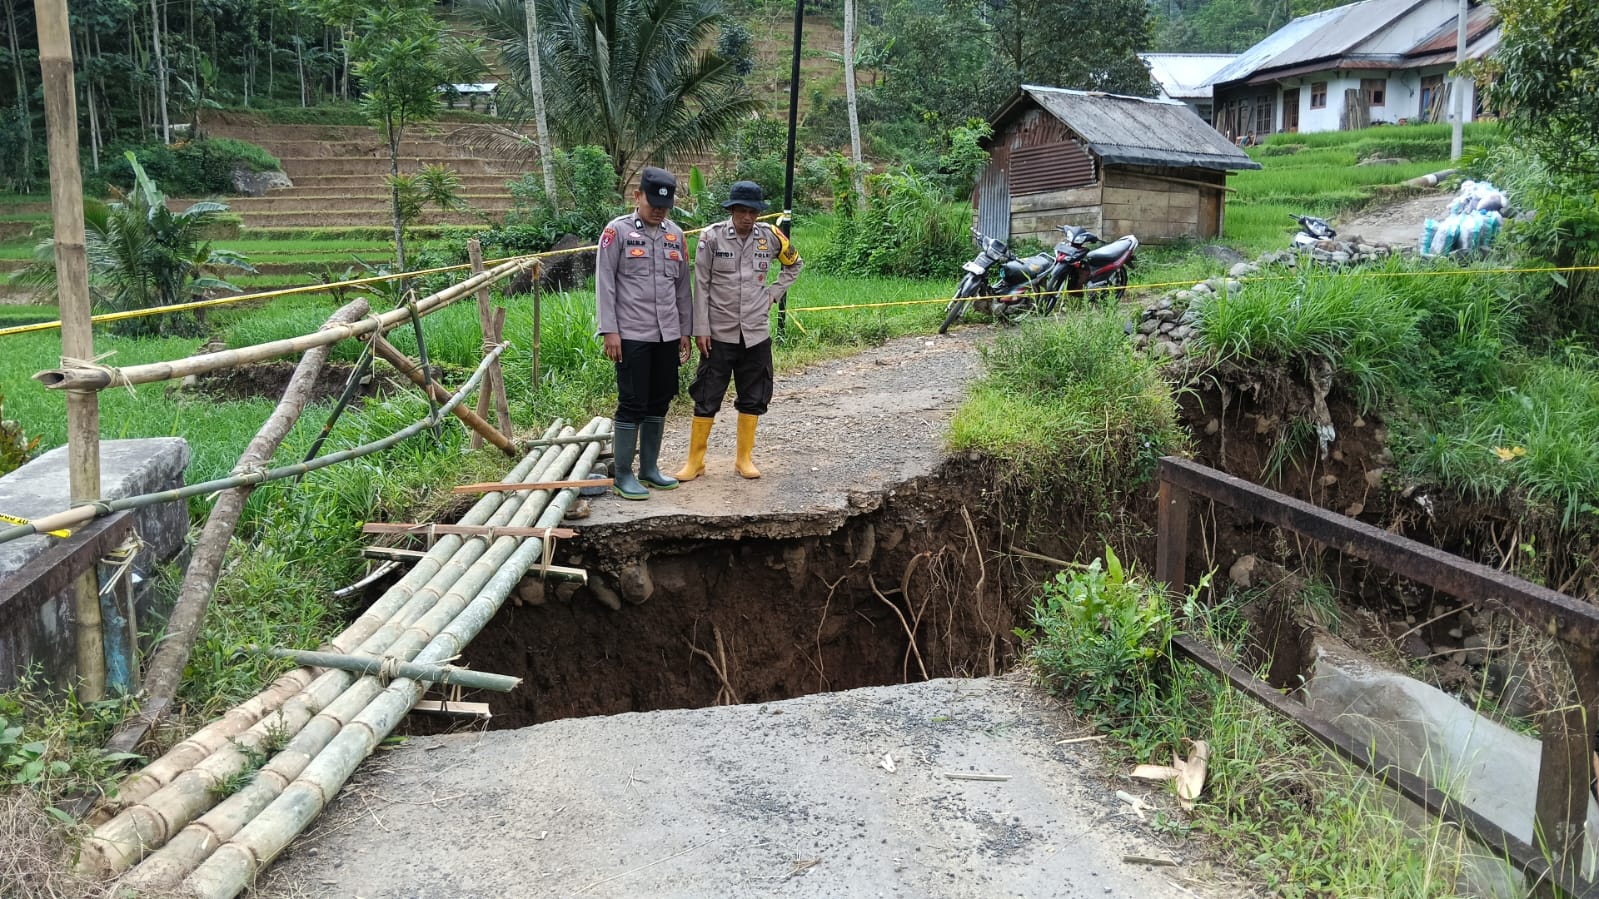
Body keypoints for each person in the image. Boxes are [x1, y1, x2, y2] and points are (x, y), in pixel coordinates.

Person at [676, 181, 802, 482]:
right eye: (742, 211)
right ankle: (695, 462)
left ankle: (743, 459)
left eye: (753, 212)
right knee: (707, 393)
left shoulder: (771, 238)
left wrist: (773, 293)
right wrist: (700, 329)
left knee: (754, 394)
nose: (747, 217)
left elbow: (794, 265)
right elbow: (701, 285)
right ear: (731, 210)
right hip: (719, 331)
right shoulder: (712, 237)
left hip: (756, 331)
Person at [595, 166, 692, 500]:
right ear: (638, 197)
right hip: (631, 333)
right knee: (632, 402)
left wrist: (685, 331)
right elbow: (605, 283)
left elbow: (682, 288)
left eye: (665, 206)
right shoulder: (617, 232)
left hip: (667, 333)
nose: (659, 210)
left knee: (660, 400)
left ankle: (649, 469)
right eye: (653, 204)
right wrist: (609, 330)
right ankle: (623, 474)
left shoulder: (675, 235)